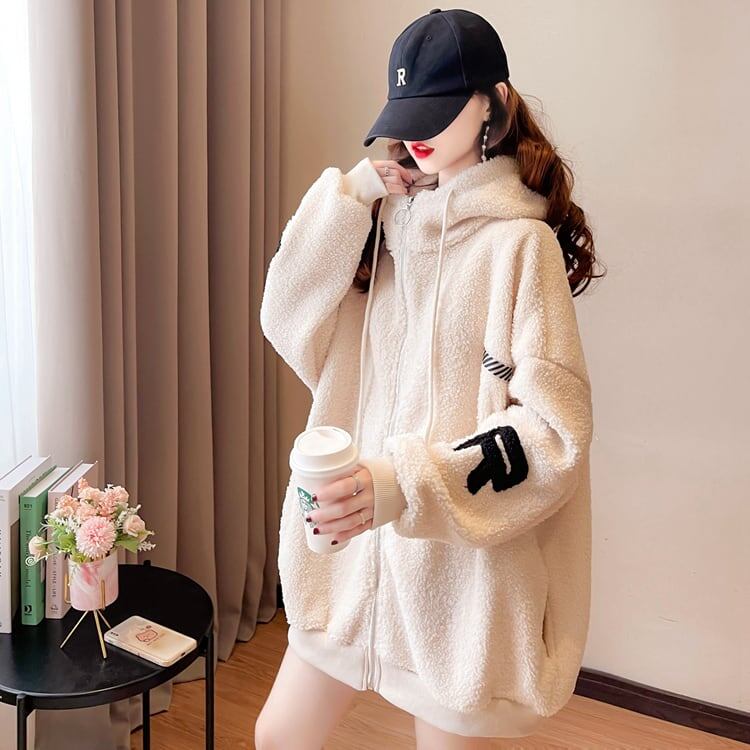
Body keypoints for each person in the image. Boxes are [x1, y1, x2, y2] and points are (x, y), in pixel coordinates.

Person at [256, 8, 603, 749]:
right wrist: (350, 197)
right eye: (409, 114)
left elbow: (553, 435)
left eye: (440, 110)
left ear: (495, 105)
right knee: (279, 736)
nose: (418, 134)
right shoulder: (384, 227)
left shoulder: (521, 249)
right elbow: (285, 316)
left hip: (461, 589)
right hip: (348, 568)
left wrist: (403, 485)